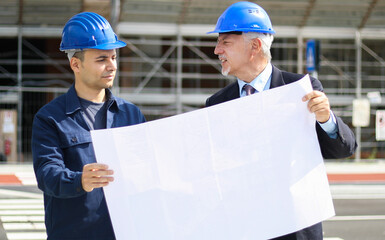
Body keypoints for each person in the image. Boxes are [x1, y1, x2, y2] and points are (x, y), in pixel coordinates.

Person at [206, 2, 357, 240]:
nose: (216, 50)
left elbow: (343, 149)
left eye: (225, 42)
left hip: (294, 229)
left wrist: (326, 119)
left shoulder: (301, 91)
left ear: (254, 46)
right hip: (242, 228)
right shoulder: (216, 104)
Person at [31, 12, 145, 240]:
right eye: (101, 60)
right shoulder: (50, 118)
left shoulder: (131, 114)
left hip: (123, 233)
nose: (111, 66)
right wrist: (78, 180)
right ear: (76, 64)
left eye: (113, 57)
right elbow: (47, 175)